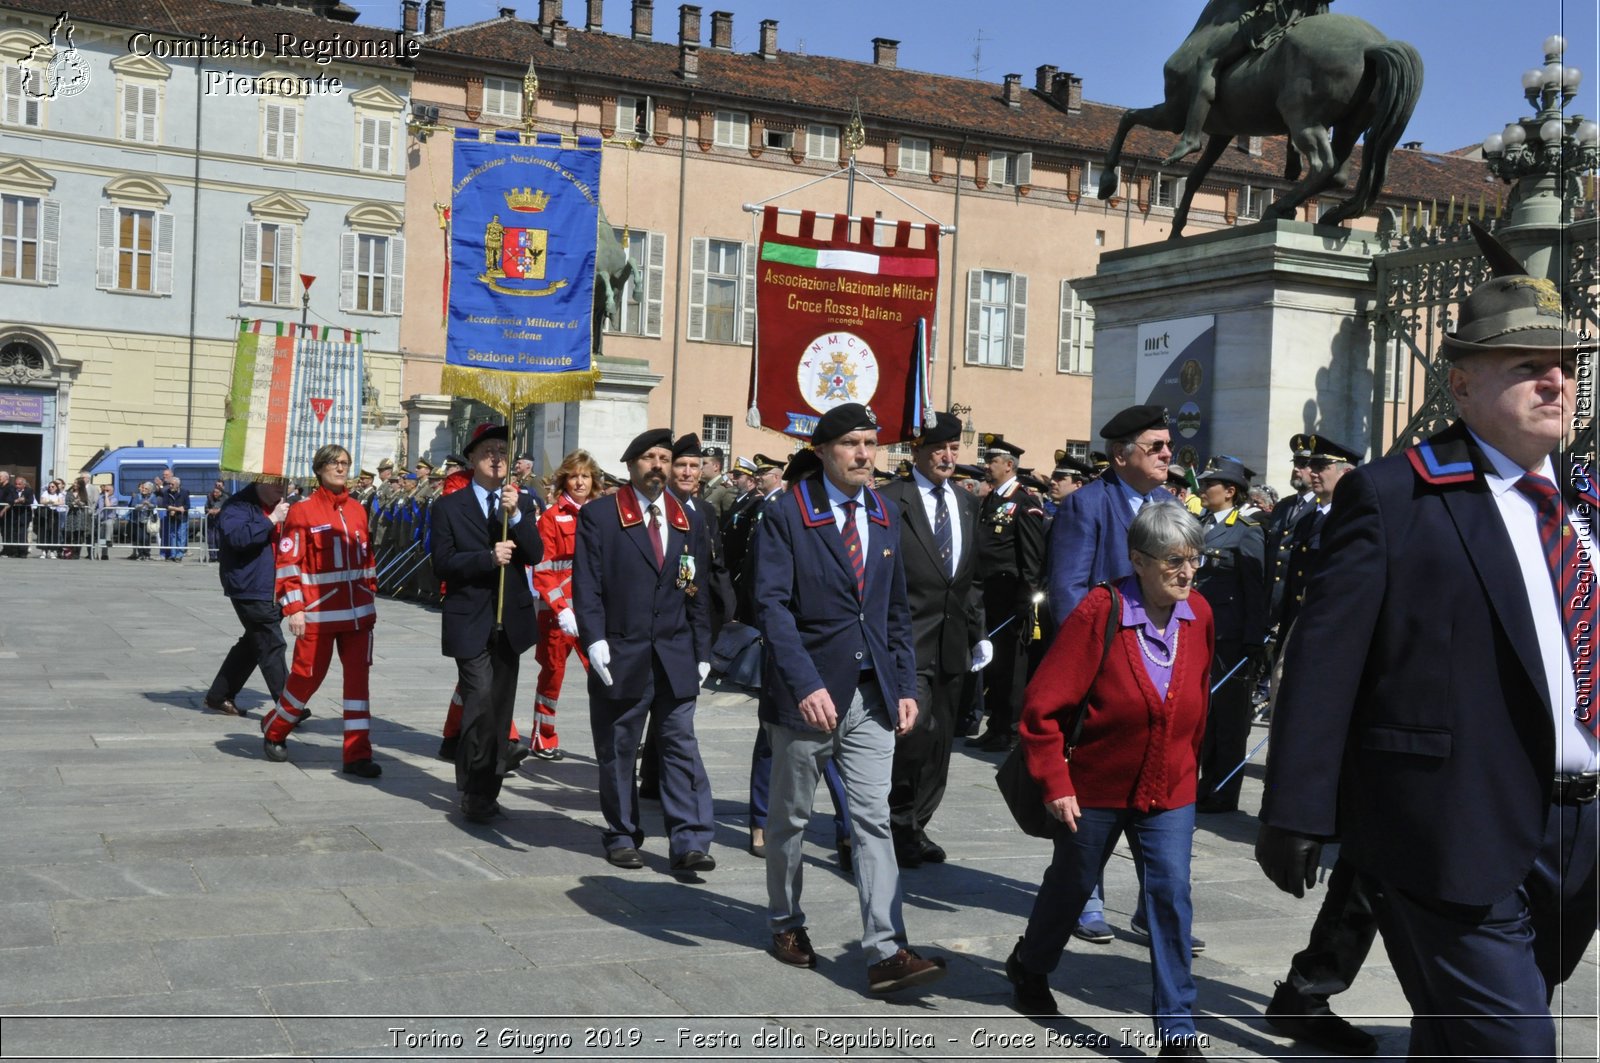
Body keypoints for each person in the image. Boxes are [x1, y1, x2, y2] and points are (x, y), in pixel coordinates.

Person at [1256, 229, 1600, 1061]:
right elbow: (1324, 658)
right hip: (1450, 825)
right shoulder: (1397, 494)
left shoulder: (1583, 508)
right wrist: (1296, 806)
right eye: (1525, 364)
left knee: (1457, 1039)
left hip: (1575, 831)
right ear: (1461, 381)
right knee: (1516, 1048)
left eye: (1566, 363)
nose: (1555, 379)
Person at [1007, 501, 1214, 1057]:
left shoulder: (1200, 614)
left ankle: (1177, 1027)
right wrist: (1055, 782)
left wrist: (1188, 768)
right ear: (1139, 560)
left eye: (1195, 559)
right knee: (1072, 884)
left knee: (1170, 894)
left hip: (1170, 787)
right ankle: (1031, 963)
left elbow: (1197, 700)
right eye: (1174, 561)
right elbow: (1042, 709)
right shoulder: (1102, 610)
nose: (1187, 572)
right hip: (1093, 785)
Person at [752, 402, 946, 995]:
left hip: (871, 698)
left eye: (872, 442)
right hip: (807, 695)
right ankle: (786, 921)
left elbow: (894, 612)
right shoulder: (788, 513)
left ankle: (886, 949)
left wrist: (906, 685)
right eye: (853, 444)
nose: (866, 454)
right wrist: (805, 682)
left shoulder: (884, 513)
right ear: (823, 450)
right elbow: (773, 607)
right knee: (789, 819)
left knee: (873, 822)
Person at [1043, 404, 1187, 947]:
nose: (1168, 455)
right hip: (1105, 669)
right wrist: (1089, 666)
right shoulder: (1087, 505)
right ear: (1121, 455)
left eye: (1168, 446)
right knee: (1095, 791)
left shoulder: (1168, 504)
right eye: (1156, 447)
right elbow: (1068, 591)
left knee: (1160, 791)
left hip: (1162, 669)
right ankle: (1087, 900)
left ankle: (1157, 910)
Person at [571, 428, 716, 872]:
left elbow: (692, 585)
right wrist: (594, 639)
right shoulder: (601, 515)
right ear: (632, 464)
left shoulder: (685, 518)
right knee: (618, 747)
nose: (659, 465)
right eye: (650, 457)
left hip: (674, 654)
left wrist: (702, 645)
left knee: (679, 746)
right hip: (621, 652)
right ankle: (621, 833)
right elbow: (588, 585)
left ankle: (689, 838)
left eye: (665, 458)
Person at [879, 412, 989, 867]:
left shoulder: (966, 502)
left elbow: (971, 576)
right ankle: (890, 822)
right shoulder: (890, 500)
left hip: (952, 640)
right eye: (938, 449)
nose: (948, 457)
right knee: (912, 734)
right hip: (906, 638)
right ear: (917, 452)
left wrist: (978, 631)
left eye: (954, 448)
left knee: (942, 739)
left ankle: (916, 825)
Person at [431, 423, 544, 822]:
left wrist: (514, 519)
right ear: (472, 459)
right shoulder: (448, 506)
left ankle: (486, 790)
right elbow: (441, 562)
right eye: (488, 451)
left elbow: (535, 552)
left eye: (503, 450)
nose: (497, 458)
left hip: (509, 621)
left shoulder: (521, 503)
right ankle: (472, 783)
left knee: (499, 709)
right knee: (477, 702)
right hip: (470, 618)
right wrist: (486, 558)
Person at [260, 444, 382, 779]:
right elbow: (288, 563)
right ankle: (276, 727)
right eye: (334, 463)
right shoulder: (302, 511)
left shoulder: (358, 509)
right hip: (317, 613)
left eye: (345, 463)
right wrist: (294, 608)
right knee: (306, 677)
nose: (341, 468)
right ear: (319, 468)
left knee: (358, 683)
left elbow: (367, 557)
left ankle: (357, 754)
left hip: (358, 615)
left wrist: (370, 591)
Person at [1191, 458, 1266, 813]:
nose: (1203, 490)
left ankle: (1223, 790)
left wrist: (1254, 639)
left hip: (1231, 638)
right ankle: (1205, 784)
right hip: (1199, 634)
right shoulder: (1200, 525)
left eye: (1210, 485)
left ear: (1230, 491)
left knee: (1230, 719)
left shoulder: (1246, 530)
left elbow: (1255, 589)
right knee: (1204, 715)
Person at [968, 438, 1046, 752]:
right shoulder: (993, 499)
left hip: (1011, 596)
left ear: (1008, 465)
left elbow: (1031, 558)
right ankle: (996, 726)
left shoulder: (1024, 502)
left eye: (991, 461)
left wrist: (1026, 601)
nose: (986, 466)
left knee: (1012, 666)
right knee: (996, 664)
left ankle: (1011, 728)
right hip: (990, 594)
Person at [530, 448, 601, 760]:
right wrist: (562, 610)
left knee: (603, 673)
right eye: (574, 476)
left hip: (593, 612)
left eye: (585, 476)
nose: (580, 482)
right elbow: (543, 570)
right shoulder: (551, 517)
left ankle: (612, 735)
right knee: (552, 674)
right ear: (564, 480)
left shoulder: (600, 514)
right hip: (558, 614)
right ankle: (543, 737)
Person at [204, 480, 292, 717]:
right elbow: (238, 538)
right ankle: (289, 707)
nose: (282, 487)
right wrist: (271, 519)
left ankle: (219, 695)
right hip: (249, 585)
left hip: (274, 585)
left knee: (254, 644)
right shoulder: (237, 506)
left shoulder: (282, 504)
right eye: (275, 482)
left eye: (285, 482)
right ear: (260, 480)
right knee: (271, 643)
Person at [155, 474, 188, 562]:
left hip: (182, 518)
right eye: (169, 484)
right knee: (172, 535)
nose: (170, 486)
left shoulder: (184, 492)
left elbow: (187, 505)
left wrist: (178, 509)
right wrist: (175, 509)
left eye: (172, 484)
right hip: (171, 517)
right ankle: (173, 554)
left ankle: (179, 554)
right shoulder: (167, 493)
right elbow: (165, 504)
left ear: (177, 484)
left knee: (181, 536)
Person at [129, 481, 156, 561]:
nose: (143, 489)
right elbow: (133, 505)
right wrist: (142, 505)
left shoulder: (153, 496)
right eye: (143, 488)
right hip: (138, 520)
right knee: (139, 537)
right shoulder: (138, 496)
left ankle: (147, 553)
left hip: (148, 520)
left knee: (146, 538)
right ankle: (140, 554)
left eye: (146, 488)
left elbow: (154, 505)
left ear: (150, 490)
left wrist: (149, 504)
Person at [203, 480, 229, 562]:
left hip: (221, 520)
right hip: (211, 520)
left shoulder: (226, 497)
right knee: (211, 539)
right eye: (214, 492)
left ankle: (220, 556)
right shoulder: (209, 496)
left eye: (217, 492)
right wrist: (209, 510)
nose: (215, 494)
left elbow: (227, 507)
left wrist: (219, 510)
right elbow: (206, 507)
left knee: (219, 538)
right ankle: (212, 556)